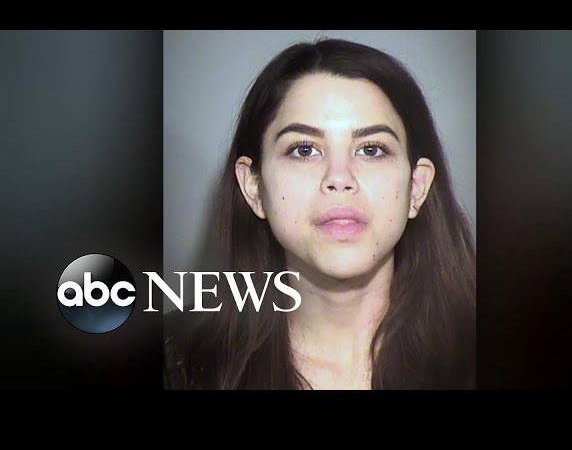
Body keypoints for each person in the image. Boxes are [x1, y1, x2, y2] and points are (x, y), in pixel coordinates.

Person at [163, 37, 476, 390]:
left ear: (416, 187)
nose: (339, 178)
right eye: (304, 149)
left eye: (372, 150)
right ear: (254, 188)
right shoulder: (179, 365)